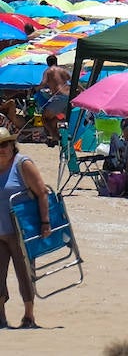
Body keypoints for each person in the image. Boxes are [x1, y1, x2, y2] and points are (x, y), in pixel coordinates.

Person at [0, 127, 49, 329]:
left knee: (25, 273)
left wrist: (45, 222)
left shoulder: (23, 164)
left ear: (12, 145)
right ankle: (1, 318)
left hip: (21, 230)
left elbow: (42, 192)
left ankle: (28, 316)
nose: (1, 149)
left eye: (4, 144)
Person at [37, 55, 70, 147]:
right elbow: (72, 80)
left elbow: (43, 83)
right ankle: (56, 136)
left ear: (48, 63)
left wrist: (35, 88)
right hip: (69, 96)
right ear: (56, 61)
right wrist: (82, 90)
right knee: (54, 118)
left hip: (60, 97)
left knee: (44, 118)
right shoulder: (63, 71)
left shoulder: (48, 71)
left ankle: (54, 136)